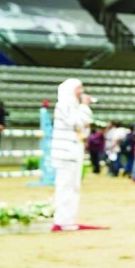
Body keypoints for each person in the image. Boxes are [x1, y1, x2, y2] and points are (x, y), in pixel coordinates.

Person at [51, 79, 92, 230]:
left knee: (73, 186)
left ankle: (68, 218)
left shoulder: (73, 106)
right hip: (65, 153)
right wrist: (85, 107)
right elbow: (76, 123)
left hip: (74, 151)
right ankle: (62, 219)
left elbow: (84, 127)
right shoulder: (63, 105)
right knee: (65, 186)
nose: (81, 91)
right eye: (78, 88)